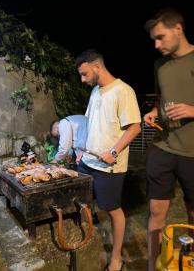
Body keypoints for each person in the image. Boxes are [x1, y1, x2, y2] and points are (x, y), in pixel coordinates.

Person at [75, 49, 141, 271]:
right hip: (88, 161)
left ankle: (116, 258)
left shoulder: (123, 91)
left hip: (109, 166)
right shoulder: (95, 91)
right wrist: (81, 148)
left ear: (97, 67)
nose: (82, 80)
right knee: (87, 204)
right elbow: (88, 121)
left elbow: (135, 127)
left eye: (84, 74)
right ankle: (89, 243)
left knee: (113, 209)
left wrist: (113, 152)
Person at [144, 7, 194, 271]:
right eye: (153, 39)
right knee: (155, 211)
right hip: (163, 145)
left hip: (193, 151)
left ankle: (191, 261)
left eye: (161, 37)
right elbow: (161, 98)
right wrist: (153, 112)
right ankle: (153, 266)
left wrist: (193, 110)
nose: (156, 44)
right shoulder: (159, 65)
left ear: (178, 29)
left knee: (193, 214)